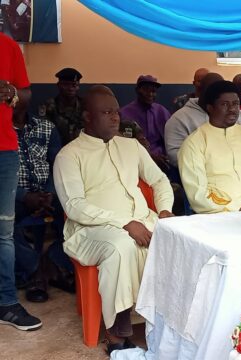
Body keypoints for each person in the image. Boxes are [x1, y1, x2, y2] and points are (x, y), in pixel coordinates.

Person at [53, 85, 174, 353]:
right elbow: (74, 206)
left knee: (179, 239)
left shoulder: (131, 147)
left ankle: (170, 323)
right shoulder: (69, 155)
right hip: (90, 230)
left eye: (116, 112)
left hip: (144, 219)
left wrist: (164, 211)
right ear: (87, 117)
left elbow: (159, 180)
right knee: (121, 246)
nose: (115, 118)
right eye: (106, 112)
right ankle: (117, 334)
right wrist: (124, 222)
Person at [178, 81, 241, 214]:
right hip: (218, 216)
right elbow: (198, 194)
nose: (232, 109)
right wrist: (237, 209)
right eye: (225, 104)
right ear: (210, 107)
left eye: (235, 103)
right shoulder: (193, 144)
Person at [13, 93, 75, 303]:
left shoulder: (46, 127)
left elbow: (58, 164)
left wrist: (50, 193)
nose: (12, 96)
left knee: (78, 214)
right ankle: (36, 268)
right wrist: (24, 196)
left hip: (48, 194)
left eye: (19, 90)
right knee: (3, 226)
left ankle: (54, 260)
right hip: (12, 196)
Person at [0, 32, 42, 331]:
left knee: (3, 232)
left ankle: (6, 302)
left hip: (4, 150)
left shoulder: (7, 45)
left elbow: (25, 95)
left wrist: (10, 91)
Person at [165, 73, 241, 168]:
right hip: (198, 173)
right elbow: (176, 157)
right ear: (200, 91)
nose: (218, 96)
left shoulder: (238, 115)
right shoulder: (179, 119)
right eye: (213, 93)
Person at [120, 75, 171, 172]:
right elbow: (124, 145)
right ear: (137, 90)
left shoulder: (162, 111)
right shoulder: (124, 113)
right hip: (135, 159)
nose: (150, 94)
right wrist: (149, 157)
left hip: (163, 159)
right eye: (146, 90)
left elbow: (169, 139)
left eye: (153, 91)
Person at [40, 67, 84, 145]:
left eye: (74, 85)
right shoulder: (48, 107)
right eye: (66, 84)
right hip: (56, 149)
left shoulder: (85, 105)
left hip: (81, 149)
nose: (70, 88)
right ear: (59, 85)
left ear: (78, 86)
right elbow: (44, 134)